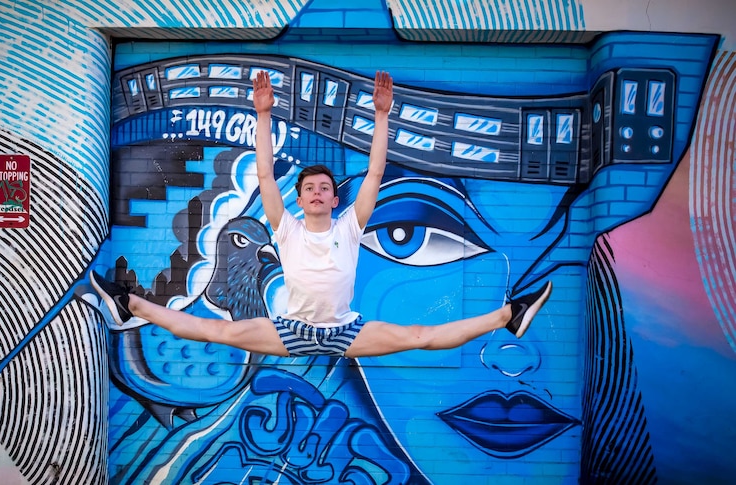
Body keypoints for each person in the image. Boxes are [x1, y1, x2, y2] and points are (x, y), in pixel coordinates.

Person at [90, 70, 553, 358]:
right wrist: (264, 115)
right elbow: (267, 177)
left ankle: (507, 315)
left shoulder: (350, 227)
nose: (315, 193)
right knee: (211, 330)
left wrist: (383, 116)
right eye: (309, 188)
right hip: (289, 330)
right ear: (302, 198)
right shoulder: (286, 229)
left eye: (324, 189)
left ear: (334, 200)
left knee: (418, 336)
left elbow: (373, 174)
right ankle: (127, 305)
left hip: (345, 332)